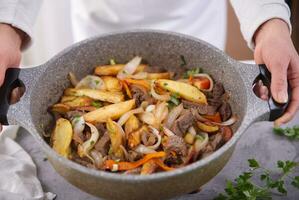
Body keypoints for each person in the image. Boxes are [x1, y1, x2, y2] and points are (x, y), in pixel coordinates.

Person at [0, 0, 298, 130]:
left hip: (192, 30)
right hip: (101, 28)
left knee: (207, 98)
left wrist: (269, 22)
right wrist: (7, 27)